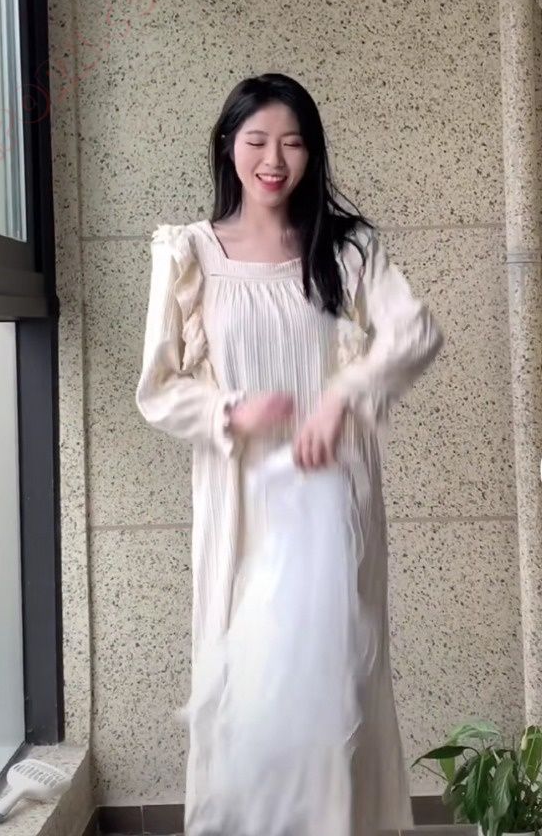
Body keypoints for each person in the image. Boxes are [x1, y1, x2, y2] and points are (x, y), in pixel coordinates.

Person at [135, 72, 443, 836]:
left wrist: (343, 396)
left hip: (332, 504)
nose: (275, 160)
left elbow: (415, 333)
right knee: (243, 692)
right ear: (227, 147)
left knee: (337, 692)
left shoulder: (347, 249)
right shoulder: (190, 254)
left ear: (312, 153)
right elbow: (158, 389)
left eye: (294, 143)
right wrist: (231, 410)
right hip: (240, 506)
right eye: (258, 141)